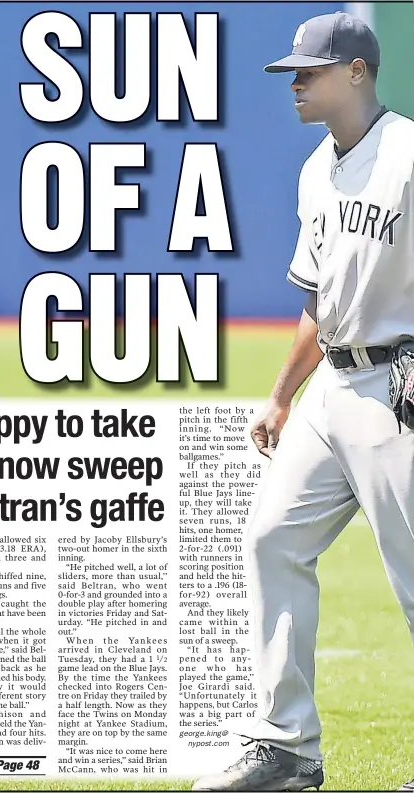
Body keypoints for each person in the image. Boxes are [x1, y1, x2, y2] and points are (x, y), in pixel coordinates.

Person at [192, 12, 414, 792]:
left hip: (399, 389)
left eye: (309, 71)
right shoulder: (315, 167)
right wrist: (281, 396)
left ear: (356, 71)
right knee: (269, 539)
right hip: (332, 389)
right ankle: (285, 746)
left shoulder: (408, 153)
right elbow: (318, 300)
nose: (294, 83)